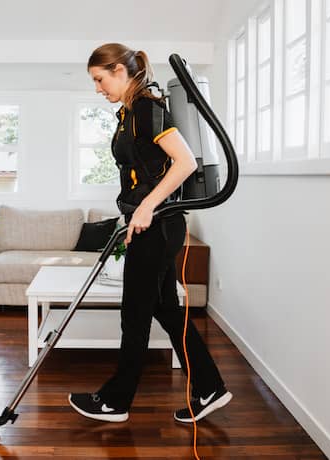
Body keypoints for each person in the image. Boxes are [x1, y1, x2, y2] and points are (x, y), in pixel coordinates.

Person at [68, 43, 232, 424]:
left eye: (99, 79)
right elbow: (144, 172)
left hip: (160, 224)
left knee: (135, 315)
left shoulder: (146, 105)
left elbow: (185, 161)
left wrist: (145, 208)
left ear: (120, 72)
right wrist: (134, 218)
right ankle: (210, 386)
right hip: (152, 226)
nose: (97, 88)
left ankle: (116, 401)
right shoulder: (128, 112)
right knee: (164, 309)